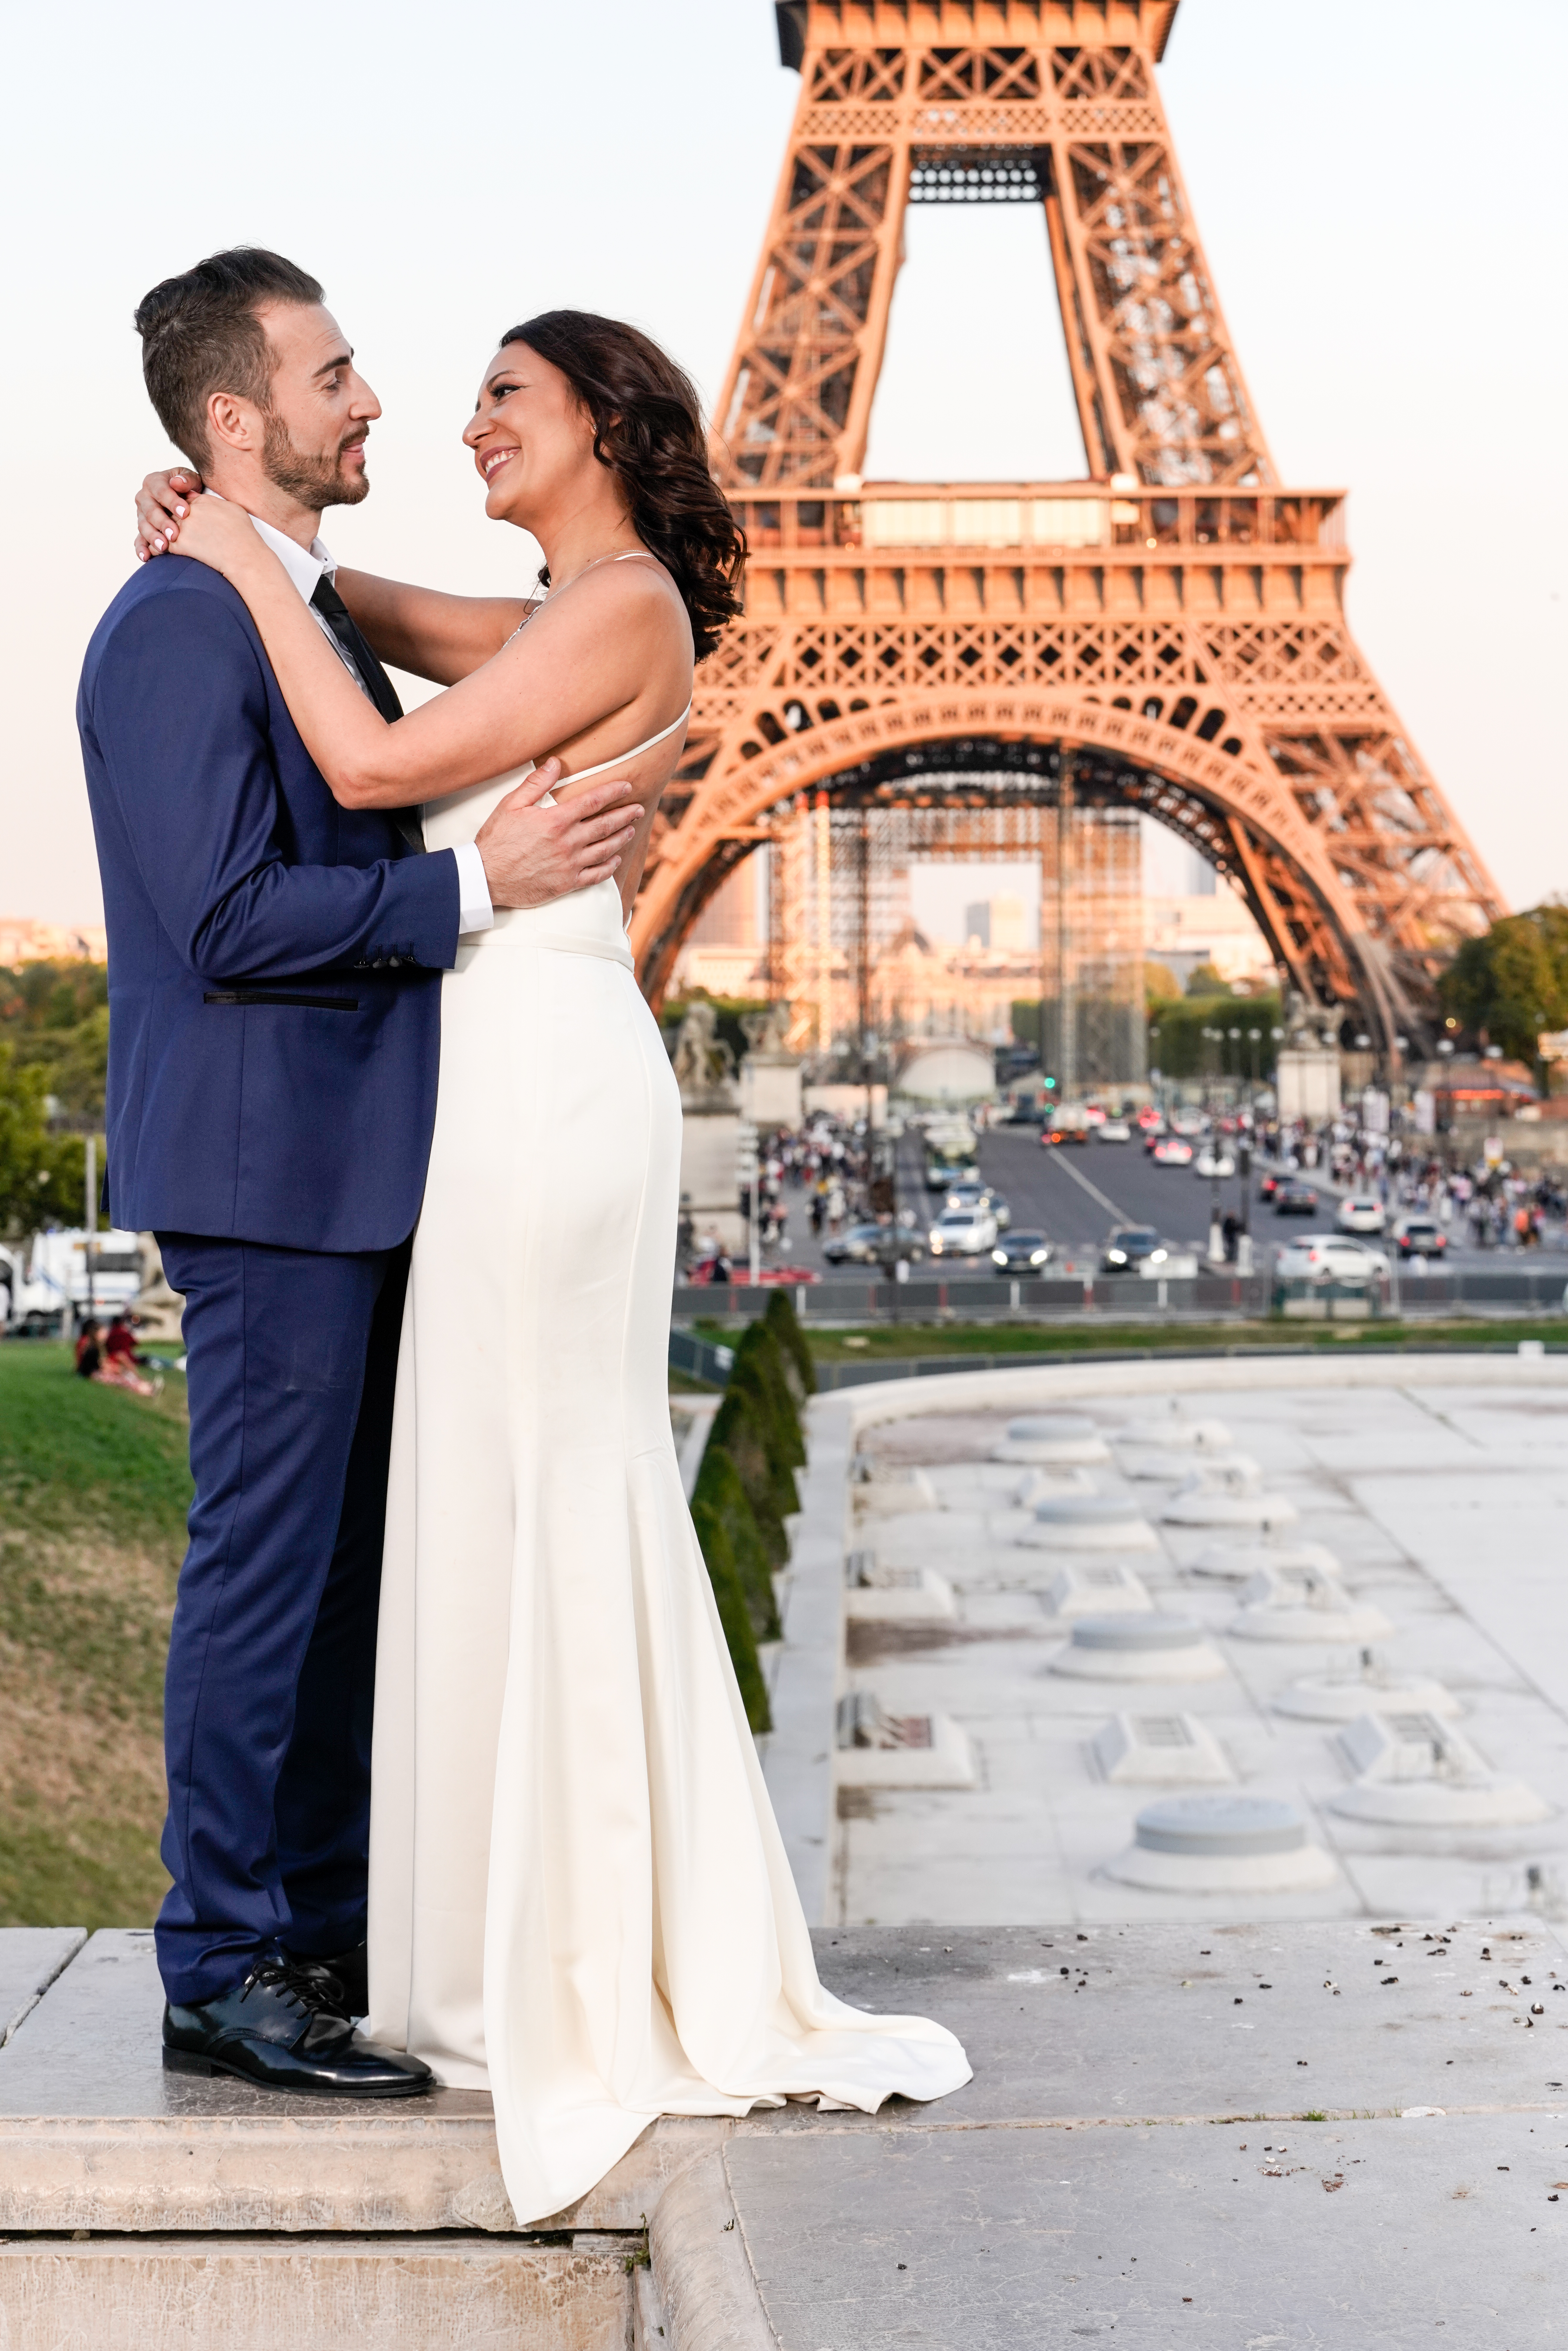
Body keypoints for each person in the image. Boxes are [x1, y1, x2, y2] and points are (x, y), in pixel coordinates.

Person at [135, 295, 968, 2219]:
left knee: (535, 1488)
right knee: (503, 1497)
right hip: (501, 1076)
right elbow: (367, 615)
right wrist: (251, 543)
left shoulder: (622, 612)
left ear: (599, 415)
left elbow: (355, 764)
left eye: (502, 394)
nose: (459, 420)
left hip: (541, 1086)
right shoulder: (559, 617)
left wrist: (229, 557)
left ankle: (565, 1944)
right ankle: (525, 1928)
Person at [86, 250, 646, 2105]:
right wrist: (487, 883)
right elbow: (232, 917)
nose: (375, 401)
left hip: (360, 1163)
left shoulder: (289, 611)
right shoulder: (180, 626)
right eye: (336, 374)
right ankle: (225, 1961)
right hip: (270, 1174)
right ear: (237, 414)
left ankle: (310, 1935)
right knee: (268, 1575)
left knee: (331, 1584)